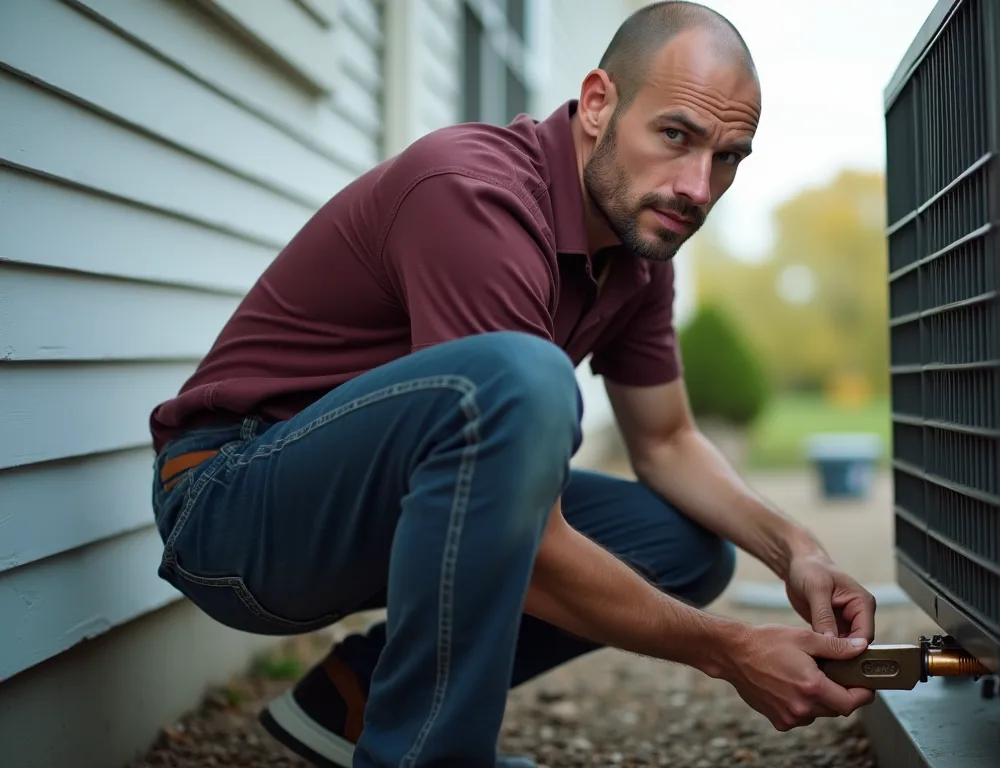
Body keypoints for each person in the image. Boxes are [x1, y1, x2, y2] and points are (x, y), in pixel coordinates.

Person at [147, 2, 878, 766]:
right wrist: (731, 650)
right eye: (675, 136)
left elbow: (665, 440)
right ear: (598, 104)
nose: (697, 186)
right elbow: (527, 539)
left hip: (372, 508)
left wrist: (797, 550)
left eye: (727, 156)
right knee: (520, 380)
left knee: (687, 548)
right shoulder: (474, 194)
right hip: (232, 506)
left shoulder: (639, 243)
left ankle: (353, 703)